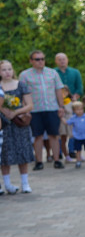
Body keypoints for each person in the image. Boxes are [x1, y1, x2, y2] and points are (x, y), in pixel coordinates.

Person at [19, 50, 65, 170]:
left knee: (54, 135)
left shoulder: (52, 73)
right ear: (31, 61)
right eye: (37, 59)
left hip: (52, 108)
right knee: (37, 136)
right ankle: (39, 161)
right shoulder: (24, 75)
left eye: (42, 59)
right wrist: (25, 110)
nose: (41, 61)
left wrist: (61, 106)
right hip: (35, 110)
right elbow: (22, 94)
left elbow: (58, 90)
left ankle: (57, 160)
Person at [0, 60, 34, 193]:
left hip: (19, 122)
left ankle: (25, 183)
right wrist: (5, 112)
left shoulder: (21, 85)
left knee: (22, 151)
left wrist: (15, 112)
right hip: (3, 124)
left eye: (9, 69)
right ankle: (7, 184)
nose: (7, 72)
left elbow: (29, 104)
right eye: (3, 70)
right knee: (5, 154)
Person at [66, 101, 85, 168]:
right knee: (78, 150)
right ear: (74, 110)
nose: (79, 111)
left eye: (81, 109)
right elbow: (67, 123)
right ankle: (78, 161)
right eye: (77, 110)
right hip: (77, 137)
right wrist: (61, 117)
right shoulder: (73, 118)